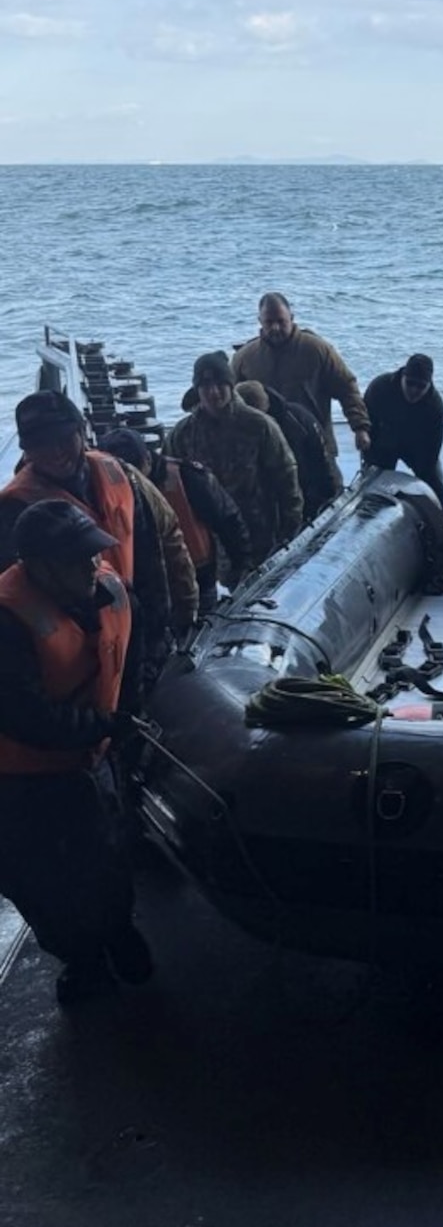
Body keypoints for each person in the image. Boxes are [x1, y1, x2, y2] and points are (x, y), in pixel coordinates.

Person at [0, 500, 154, 1005]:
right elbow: (25, 717)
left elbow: (131, 662)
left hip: (92, 759)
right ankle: (81, 959)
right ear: (39, 568)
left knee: (108, 854)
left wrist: (125, 718)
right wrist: (104, 726)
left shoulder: (109, 588)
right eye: (76, 559)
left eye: (93, 554)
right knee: (35, 879)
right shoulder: (8, 621)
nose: (92, 565)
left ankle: (117, 932)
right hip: (20, 779)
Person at [0, 390, 196, 683]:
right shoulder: (15, 508)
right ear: (28, 451)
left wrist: (159, 635)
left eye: (64, 439)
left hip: (133, 627)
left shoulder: (118, 474)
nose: (55, 452)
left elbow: (150, 558)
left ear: (81, 432)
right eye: (41, 445)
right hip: (72, 661)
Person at [167, 351, 304, 569]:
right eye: (205, 386)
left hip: (261, 533)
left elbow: (285, 475)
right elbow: (172, 486)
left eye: (220, 384)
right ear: (197, 390)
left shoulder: (259, 425)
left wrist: (290, 530)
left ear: (231, 385)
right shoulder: (183, 433)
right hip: (214, 538)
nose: (214, 392)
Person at [231, 292, 372, 497]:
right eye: (269, 322)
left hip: (316, 445)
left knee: (331, 498)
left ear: (292, 318)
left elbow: (346, 387)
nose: (275, 328)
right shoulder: (245, 357)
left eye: (281, 321)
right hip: (267, 453)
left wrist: (360, 427)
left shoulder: (316, 349)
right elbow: (230, 402)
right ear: (259, 321)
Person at [100, 427, 252, 614]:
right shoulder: (104, 490)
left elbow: (227, 519)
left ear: (148, 459)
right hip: (141, 585)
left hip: (198, 578)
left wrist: (241, 565)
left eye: (136, 471)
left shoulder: (189, 478)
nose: (133, 481)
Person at [235, 380, 337, 521]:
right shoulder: (235, 427)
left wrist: (328, 494)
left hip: (306, 490)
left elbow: (322, 457)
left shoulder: (297, 419)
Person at [363, 354, 443, 508]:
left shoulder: (435, 406)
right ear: (402, 376)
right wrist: (370, 456)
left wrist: (426, 473)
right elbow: (366, 424)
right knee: (370, 485)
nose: (414, 390)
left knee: (437, 488)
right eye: (410, 383)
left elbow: (432, 450)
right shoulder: (379, 388)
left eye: (421, 386)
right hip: (383, 441)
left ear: (429, 385)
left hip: (417, 446)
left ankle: (439, 524)